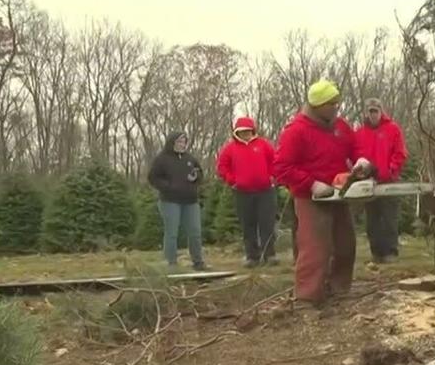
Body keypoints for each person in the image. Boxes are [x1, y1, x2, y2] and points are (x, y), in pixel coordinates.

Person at [273, 80, 373, 306]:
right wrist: (311, 184)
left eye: (337, 103)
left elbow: (356, 147)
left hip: (339, 194)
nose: (336, 108)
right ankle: (307, 297)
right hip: (311, 197)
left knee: (345, 244)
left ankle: (340, 289)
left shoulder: (340, 126)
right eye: (331, 104)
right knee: (315, 248)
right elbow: (281, 167)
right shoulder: (296, 131)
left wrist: (361, 161)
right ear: (318, 106)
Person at [217, 116, 280, 268]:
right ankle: (252, 256)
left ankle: (269, 254)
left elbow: (275, 161)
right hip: (242, 192)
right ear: (237, 132)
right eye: (242, 131)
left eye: (247, 131)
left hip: (265, 190)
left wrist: (273, 177)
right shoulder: (230, 148)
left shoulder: (263, 145)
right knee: (248, 224)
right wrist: (233, 180)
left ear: (253, 130)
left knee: (267, 223)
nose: (245, 134)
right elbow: (222, 167)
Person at [354, 98, 409, 263]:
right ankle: (376, 252)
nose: (373, 115)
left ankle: (390, 251)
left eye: (375, 111)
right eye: (370, 111)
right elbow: (356, 155)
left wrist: (392, 169)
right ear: (366, 113)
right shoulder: (360, 133)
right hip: (368, 182)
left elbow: (400, 152)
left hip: (389, 180)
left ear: (380, 111)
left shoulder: (392, 129)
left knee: (389, 217)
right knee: (373, 218)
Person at [148, 131, 208, 271]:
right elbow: (153, 178)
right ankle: (171, 263)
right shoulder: (162, 159)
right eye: (179, 142)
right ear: (172, 143)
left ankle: (198, 262)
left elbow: (200, 173)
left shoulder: (190, 158)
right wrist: (168, 186)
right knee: (172, 232)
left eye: (184, 142)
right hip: (170, 201)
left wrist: (196, 177)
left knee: (195, 232)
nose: (182, 145)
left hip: (191, 201)